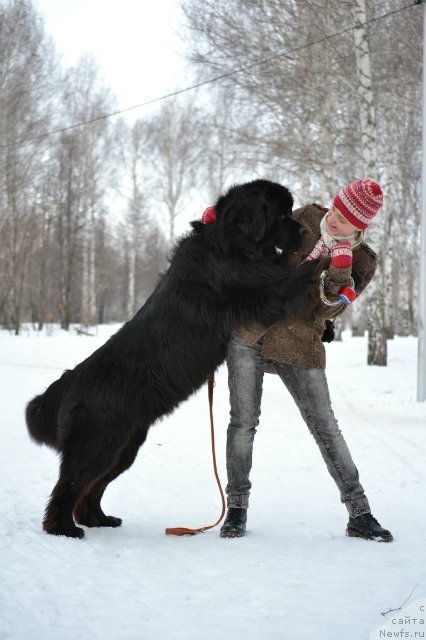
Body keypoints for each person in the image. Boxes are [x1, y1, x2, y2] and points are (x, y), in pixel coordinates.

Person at [220, 177, 393, 542]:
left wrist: (340, 268)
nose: (335, 219)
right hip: (251, 329)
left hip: (300, 343)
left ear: (360, 226)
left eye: (346, 219)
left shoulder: (363, 260)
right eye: (337, 208)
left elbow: (332, 308)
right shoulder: (307, 217)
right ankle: (236, 509)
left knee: (325, 427)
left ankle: (359, 514)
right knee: (243, 424)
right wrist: (221, 224)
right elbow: (260, 239)